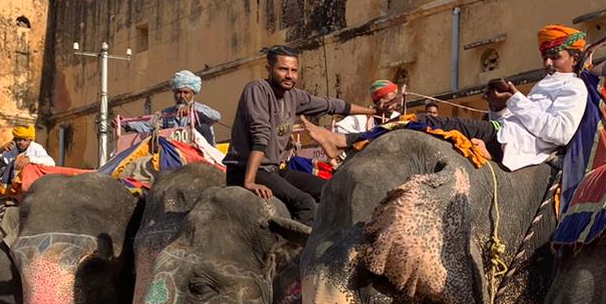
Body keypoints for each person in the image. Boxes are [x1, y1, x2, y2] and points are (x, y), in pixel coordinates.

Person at [303, 25, 588, 171]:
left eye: (555, 56)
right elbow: (519, 120)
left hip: (507, 141)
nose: (547, 63)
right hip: (501, 131)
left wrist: (515, 99)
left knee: (421, 121)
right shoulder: (544, 85)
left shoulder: (574, 89)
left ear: (574, 58)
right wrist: (498, 106)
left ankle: (344, 142)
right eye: (545, 56)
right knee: (417, 123)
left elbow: (559, 132)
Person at [225, 46, 373, 224]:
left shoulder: (294, 96)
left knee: (327, 189)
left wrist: (371, 111)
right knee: (304, 203)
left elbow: (330, 105)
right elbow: (260, 135)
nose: (289, 75)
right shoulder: (257, 89)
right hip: (247, 170)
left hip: (273, 170)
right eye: (283, 69)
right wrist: (249, 181)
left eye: (294, 70)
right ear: (269, 69)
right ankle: (299, 242)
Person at [126, 70, 222, 144]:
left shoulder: (201, 109)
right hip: (176, 153)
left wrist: (192, 110)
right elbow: (148, 125)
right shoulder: (166, 114)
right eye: (178, 92)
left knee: (203, 127)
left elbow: (216, 116)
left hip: (201, 153)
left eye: (186, 92)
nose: (182, 96)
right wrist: (126, 124)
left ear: (193, 93)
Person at [335, 80, 404, 134]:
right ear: (376, 102)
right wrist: (363, 136)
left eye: (393, 102)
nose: (391, 107)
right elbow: (338, 128)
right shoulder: (360, 118)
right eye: (386, 104)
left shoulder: (397, 116)